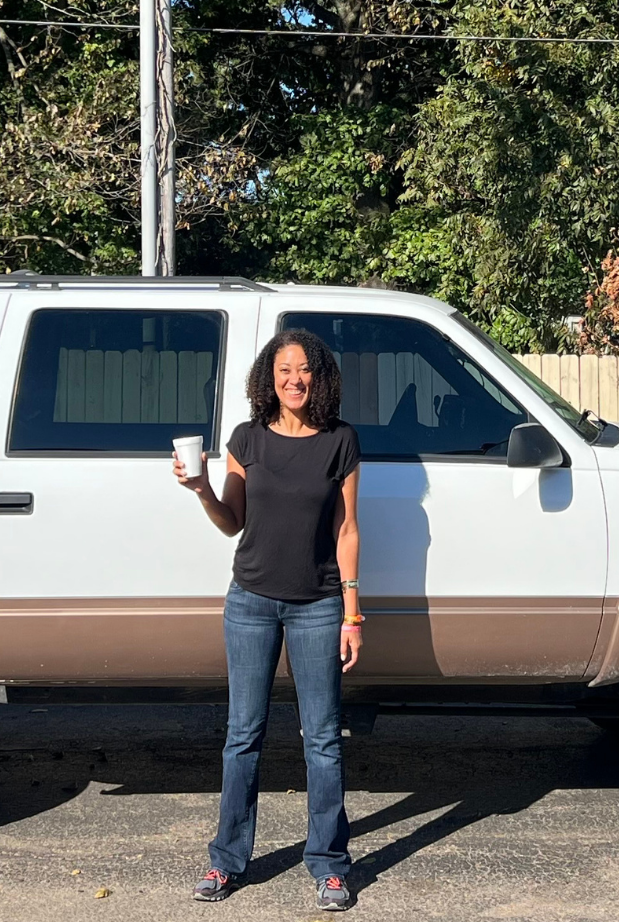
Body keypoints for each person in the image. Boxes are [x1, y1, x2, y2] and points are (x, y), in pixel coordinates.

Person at [174, 328, 363, 911]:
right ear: (268, 378)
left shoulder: (341, 441)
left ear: (320, 376)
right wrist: (203, 487)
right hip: (250, 602)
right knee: (242, 738)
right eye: (284, 370)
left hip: (318, 605)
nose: (294, 379)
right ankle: (227, 861)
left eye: (304, 369)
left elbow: (347, 530)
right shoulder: (246, 440)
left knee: (324, 742)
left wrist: (352, 614)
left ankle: (330, 866)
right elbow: (232, 521)